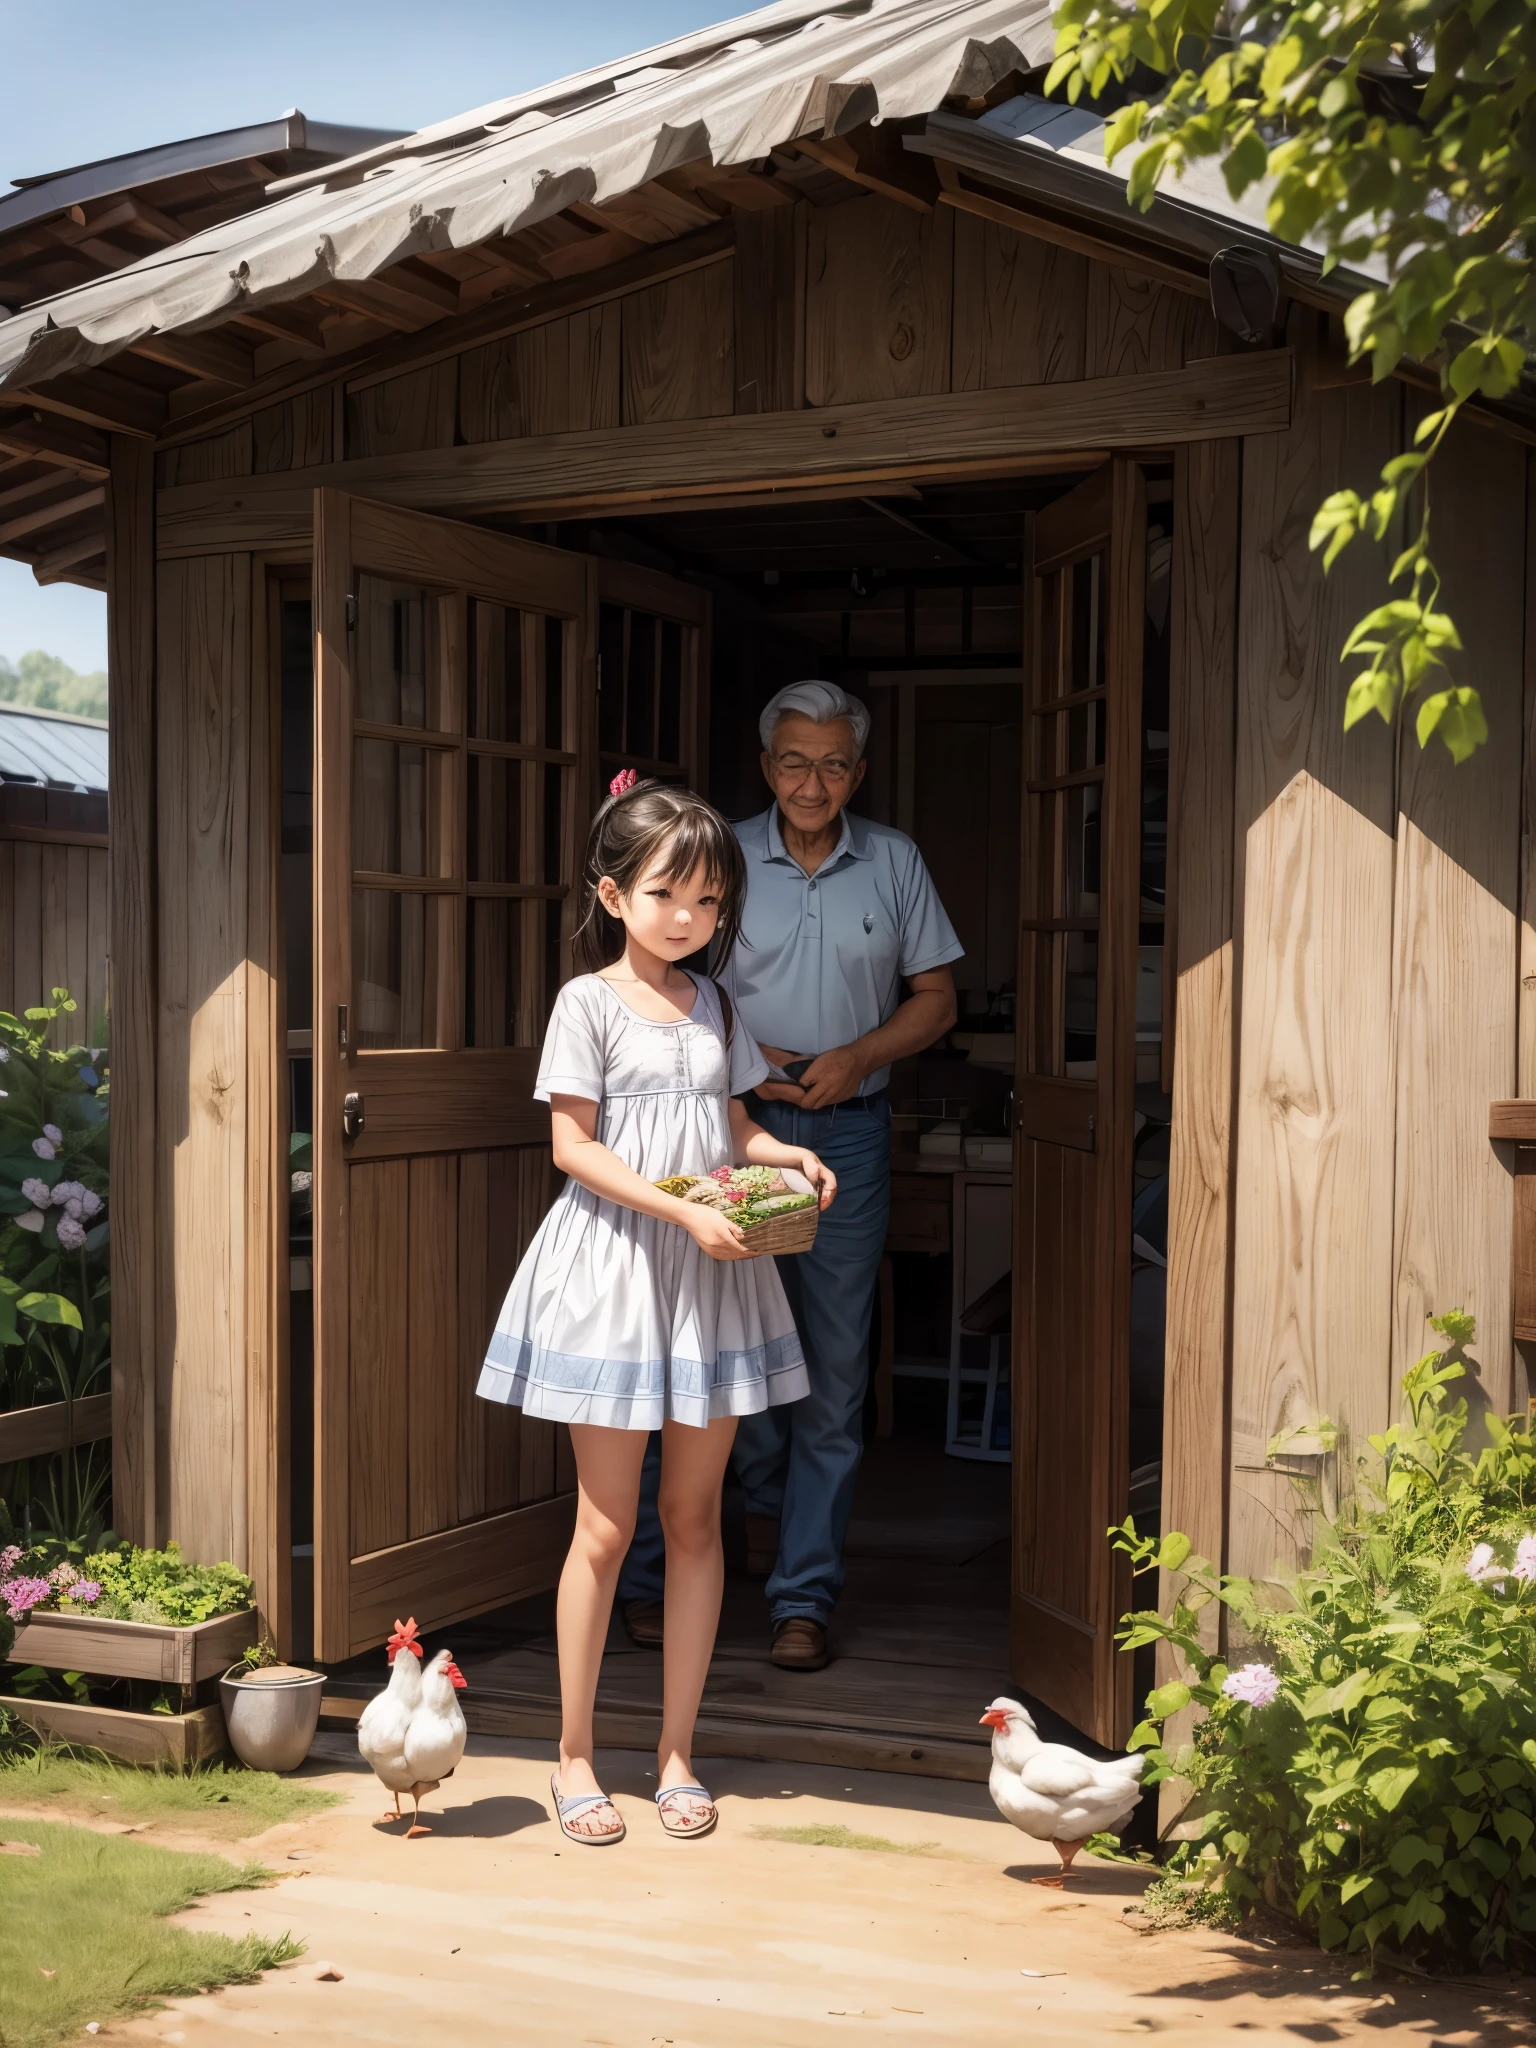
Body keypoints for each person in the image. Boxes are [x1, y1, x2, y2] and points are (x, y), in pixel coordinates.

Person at [476, 773, 836, 1844]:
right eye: (668, 894)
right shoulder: (585, 1002)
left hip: (711, 1276)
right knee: (606, 1523)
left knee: (694, 1519)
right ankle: (575, 1756)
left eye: (710, 902)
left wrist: (792, 1155)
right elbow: (572, 1146)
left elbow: (732, 1130)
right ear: (613, 892)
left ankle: (678, 1751)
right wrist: (683, 1214)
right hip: (622, 1271)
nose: (689, 918)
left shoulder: (719, 1004)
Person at [618, 681, 961, 1672]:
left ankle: (801, 1596)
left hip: (846, 1133)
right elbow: (653, 969)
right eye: (796, 762)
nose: (816, 781)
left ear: (859, 770)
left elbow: (936, 998)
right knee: (688, 1349)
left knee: (832, 1373)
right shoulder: (714, 848)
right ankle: (650, 1577)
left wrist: (856, 1055)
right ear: (769, 768)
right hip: (723, 1123)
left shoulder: (893, 861)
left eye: (836, 762)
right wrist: (736, 1047)